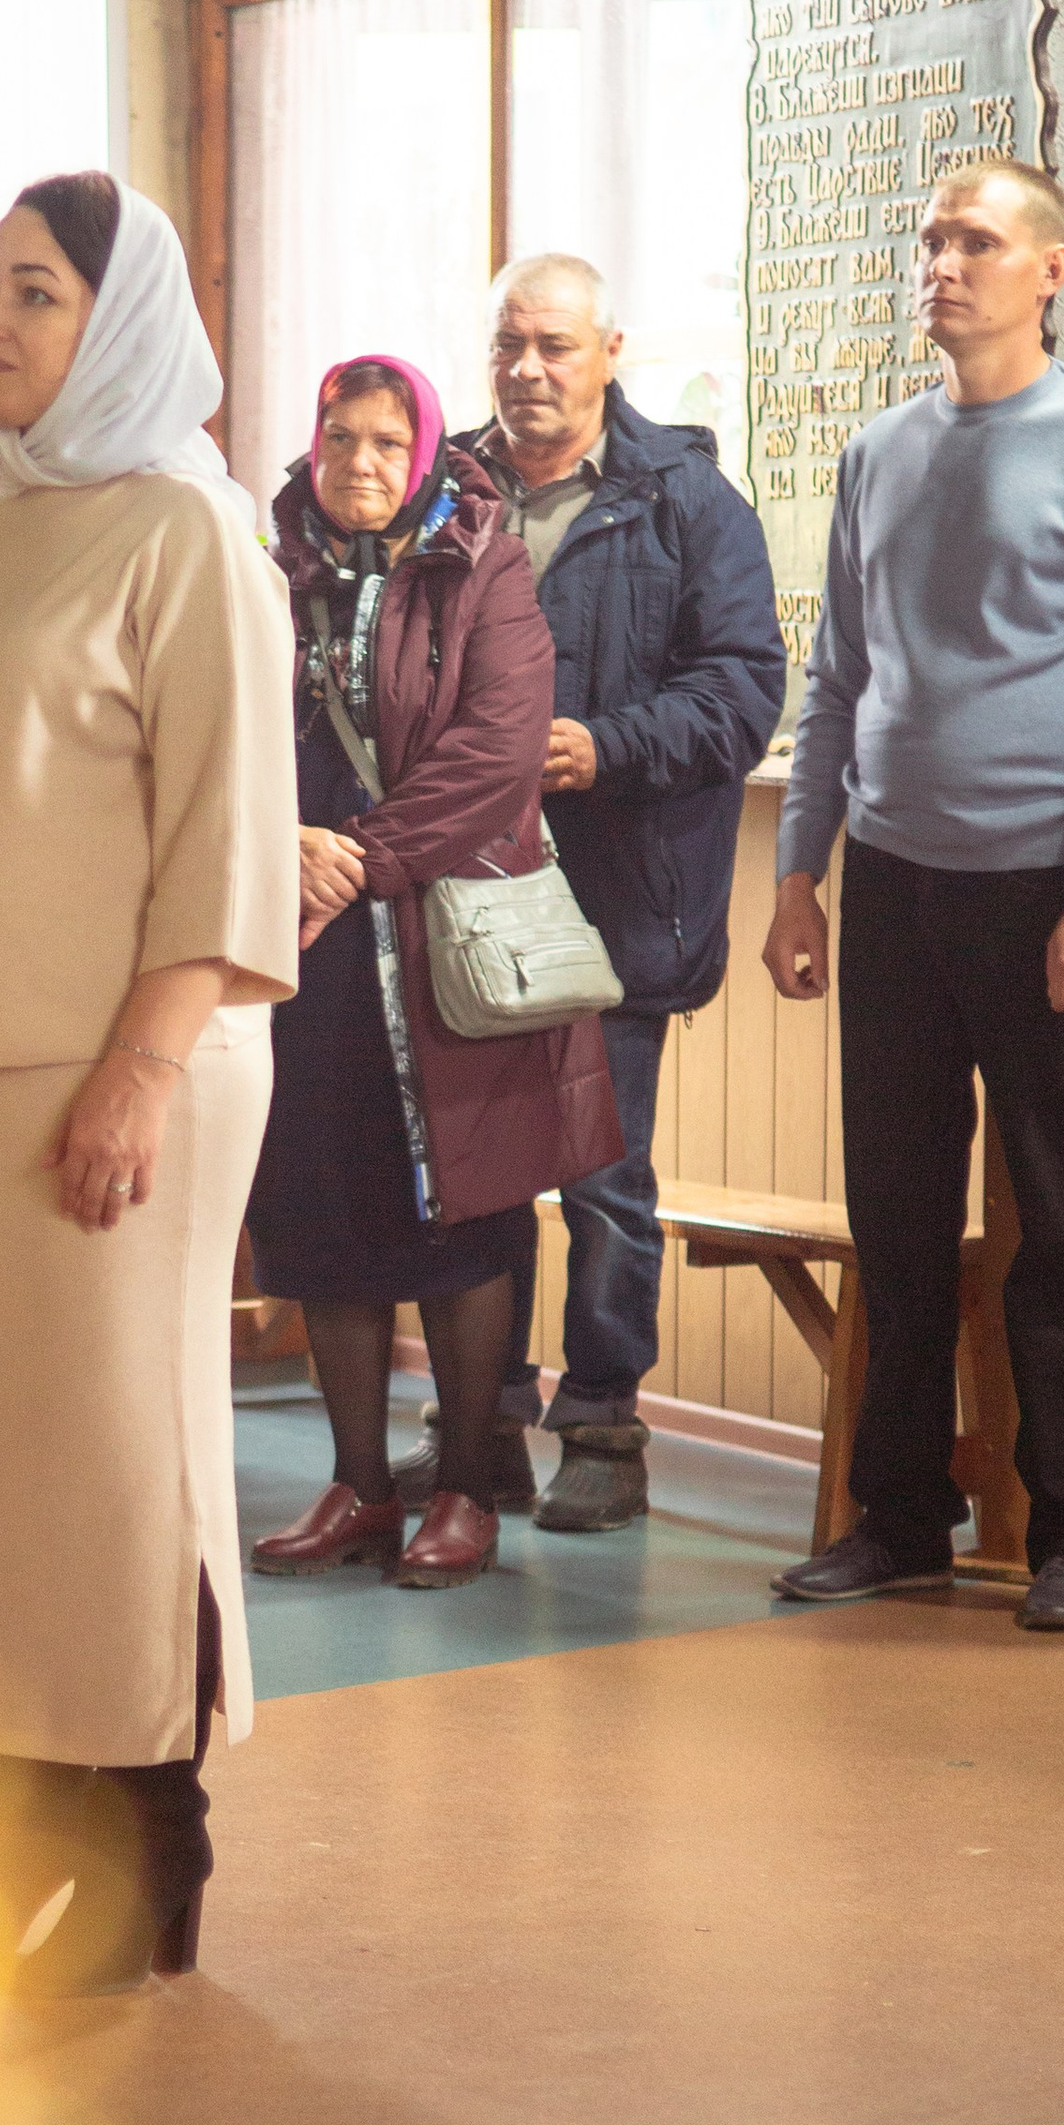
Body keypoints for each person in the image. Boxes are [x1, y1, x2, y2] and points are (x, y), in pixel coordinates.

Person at [0, 171, 297, 1998]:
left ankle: (143, 1846)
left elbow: (230, 834)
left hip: (125, 1075)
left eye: (37, 292)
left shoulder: (190, 533)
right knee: (2, 1490)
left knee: (120, 1474)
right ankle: (20, 1829)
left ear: (121, 321)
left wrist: (142, 1067)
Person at [765, 158, 1064, 1634]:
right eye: (931, 241)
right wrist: (798, 876)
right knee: (894, 1215)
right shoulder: (879, 451)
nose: (941, 265)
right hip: (892, 883)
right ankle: (900, 1517)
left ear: (1050, 271)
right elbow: (836, 682)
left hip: (1043, 892)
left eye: (976, 242)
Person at [248, 358, 624, 1590]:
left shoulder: (483, 565)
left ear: (418, 456)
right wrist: (279, 847)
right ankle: (359, 1486)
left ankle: (463, 1486)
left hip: (446, 944)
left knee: (465, 1214)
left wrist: (357, 859)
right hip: (309, 952)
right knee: (324, 1211)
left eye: (382, 442)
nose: (357, 464)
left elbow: (495, 753)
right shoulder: (267, 568)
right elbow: (223, 734)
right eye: (337, 439)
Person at [448, 255, 786, 1529]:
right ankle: (477, 1426)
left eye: (555, 345)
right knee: (473, 1176)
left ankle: (602, 1426)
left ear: (609, 352)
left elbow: (743, 692)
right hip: (466, 902)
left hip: (620, 899)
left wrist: (605, 747)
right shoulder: (449, 491)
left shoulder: (687, 503)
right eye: (509, 345)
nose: (528, 369)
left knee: (601, 1176)